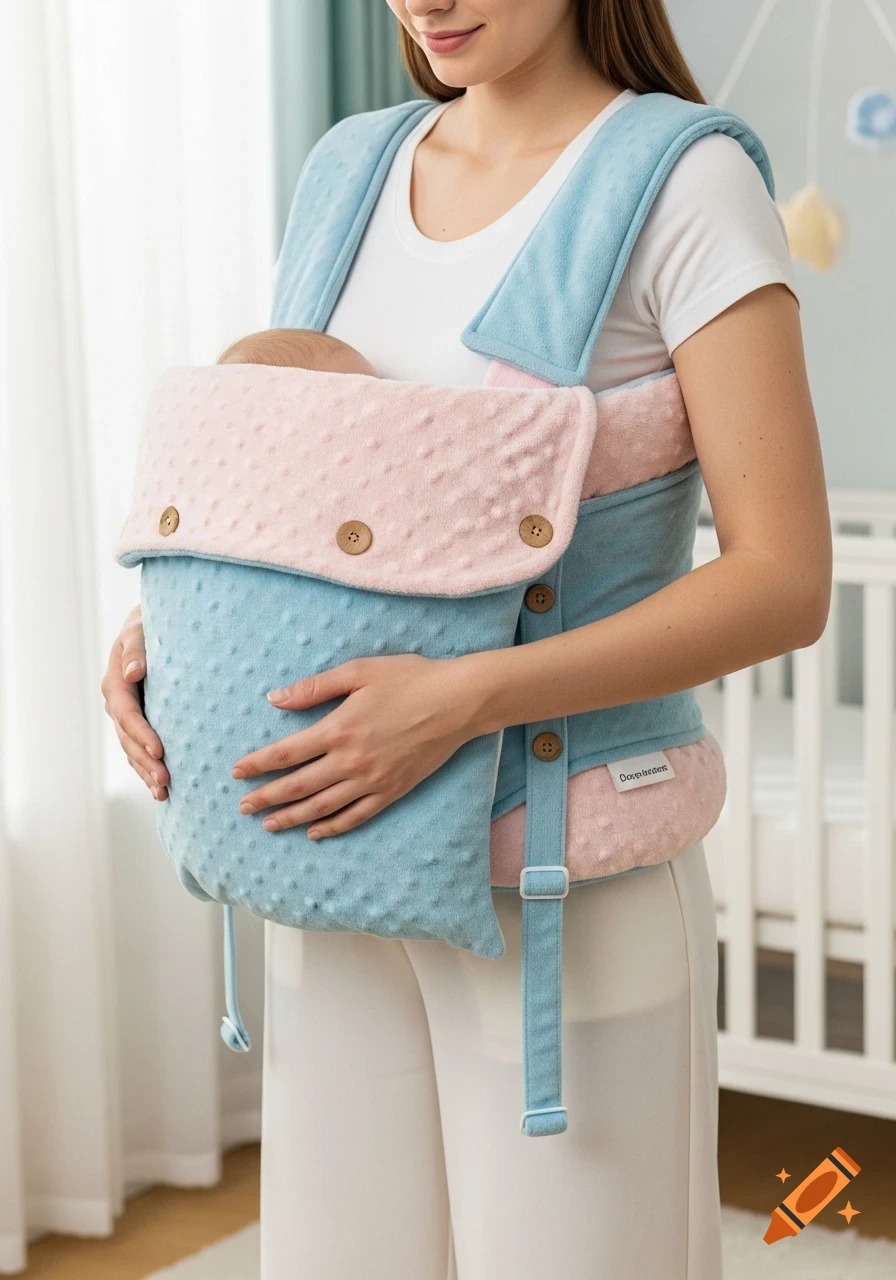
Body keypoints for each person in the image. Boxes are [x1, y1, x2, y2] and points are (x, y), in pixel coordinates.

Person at [101, 1, 832, 1276]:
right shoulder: (347, 173)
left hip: (560, 867)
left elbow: (781, 578)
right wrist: (165, 630)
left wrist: (461, 697)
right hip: (333, 853)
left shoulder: (681, 180)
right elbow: (302, 508)